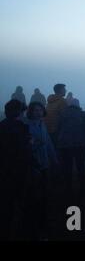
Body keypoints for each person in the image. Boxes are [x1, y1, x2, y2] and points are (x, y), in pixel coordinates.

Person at [23, 102, 57, 240]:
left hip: (45, 164)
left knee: (43, 193)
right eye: (36, 110)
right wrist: (35, 146)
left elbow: (48, 142)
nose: (38, 112)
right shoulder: (27, 126)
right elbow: (26, 147)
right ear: (31, 112)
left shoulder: (42, 124)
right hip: (33, 165)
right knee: (34, 195)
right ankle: (33, 224)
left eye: (40, 110)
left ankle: (42, 219)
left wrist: (54, 158)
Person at [0, 100, 32, 240]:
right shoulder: (21, 127)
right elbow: (24, 150)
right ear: (19, 112)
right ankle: (22, 230)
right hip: (19, 169)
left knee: (6, 202)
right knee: (22, 201)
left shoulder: (1, 126)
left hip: (4, 169)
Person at [56, 99, 85, 199]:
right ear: (78, 105)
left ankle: (68, 188)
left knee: (67, 167)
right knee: (80, 166)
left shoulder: (62, 114)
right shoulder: (82, 114)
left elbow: (59, 127)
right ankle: (82, 188)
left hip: (65, 144)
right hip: (80, 144)